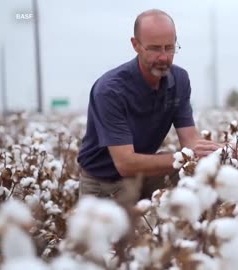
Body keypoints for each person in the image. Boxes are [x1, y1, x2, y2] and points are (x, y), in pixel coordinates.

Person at [77, 9, 221, 206]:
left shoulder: (179, 80)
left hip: (145, 171)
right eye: (154, 48)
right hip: (104, 182)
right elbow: (125, 164)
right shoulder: (110, 90)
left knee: (204, 186)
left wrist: (217, 152)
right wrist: (188, 156)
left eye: (169, 47)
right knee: (124, 236)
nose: (164, 57)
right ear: (135, 45)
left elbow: (190, 141)